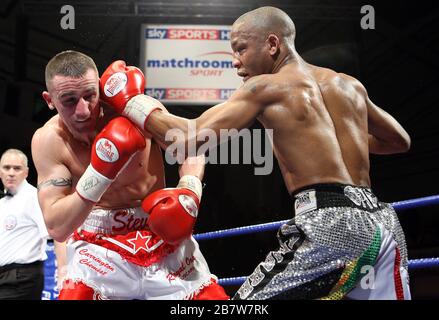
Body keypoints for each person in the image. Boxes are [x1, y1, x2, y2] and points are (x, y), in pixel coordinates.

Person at [99, 6, 412, 300]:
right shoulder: (349, 85)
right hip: (382, 223)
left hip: (330, 224)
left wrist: (130, 101)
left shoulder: (265, 87)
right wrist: (343, 138)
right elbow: (400, 141)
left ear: (273, 44)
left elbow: (187, 140)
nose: (235, 60)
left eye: (241, 48)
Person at [31, 50, 228, 300]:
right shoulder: (49, 140)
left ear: (100, 89)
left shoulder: (134, 109)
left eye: (90, 96)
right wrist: (100, 172)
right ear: (49, 100)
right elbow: (57, 226)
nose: (82, 111)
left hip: (160, 231)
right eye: (69, 100)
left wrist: (189, 191)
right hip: (98, 246)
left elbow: (191, 147)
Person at [0, 149, 49, 300]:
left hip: (22, 277)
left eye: (17, 168)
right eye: (6, 168)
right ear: (0, 172)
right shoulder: (2, 203)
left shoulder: (34, 197)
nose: (11, 173)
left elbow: (57, 234)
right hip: (5, 276)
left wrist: (64, 272)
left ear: (26, 172)